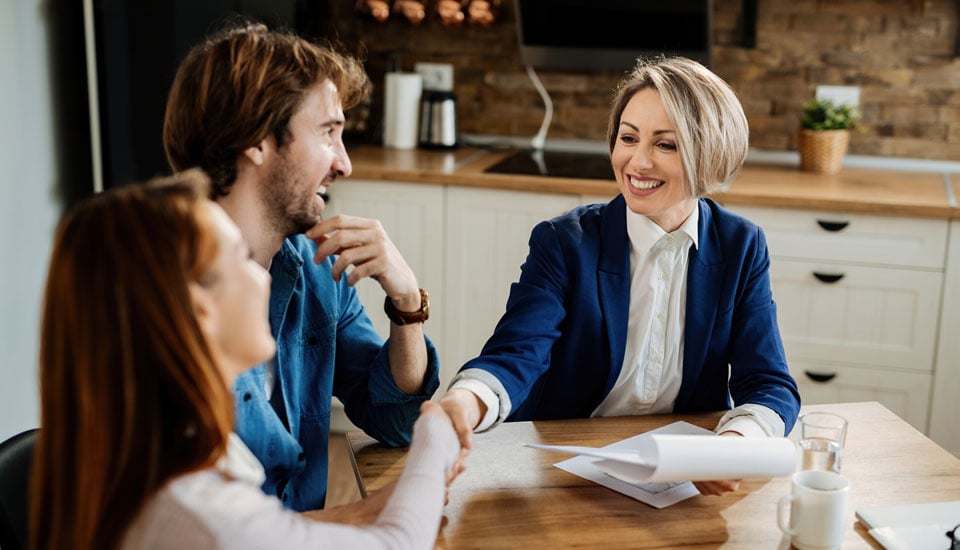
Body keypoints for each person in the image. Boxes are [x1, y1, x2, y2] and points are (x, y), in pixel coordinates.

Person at [29, 172, 460, 550]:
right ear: (201, 310)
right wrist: (435, 436)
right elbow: (398, 543)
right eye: (240, 257)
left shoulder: (167, 443)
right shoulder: (198, 511)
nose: (263, 275)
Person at [437, 56, 801, 495]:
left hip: (679, 476)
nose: (637, 162)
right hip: (565, 465)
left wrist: (732, 445)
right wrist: (464, 402)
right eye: (628, 138)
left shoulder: (742, 245)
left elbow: (768, 381)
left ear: (711, 152)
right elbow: (518, 354)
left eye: (665, 145)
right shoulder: (564, 242)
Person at [162, 21, 442, 514]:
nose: (344, 164)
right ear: (256, 139)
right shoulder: (163, 292)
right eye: (328, 132)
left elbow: (395, 420)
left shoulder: (315, 268)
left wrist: (405, 303)